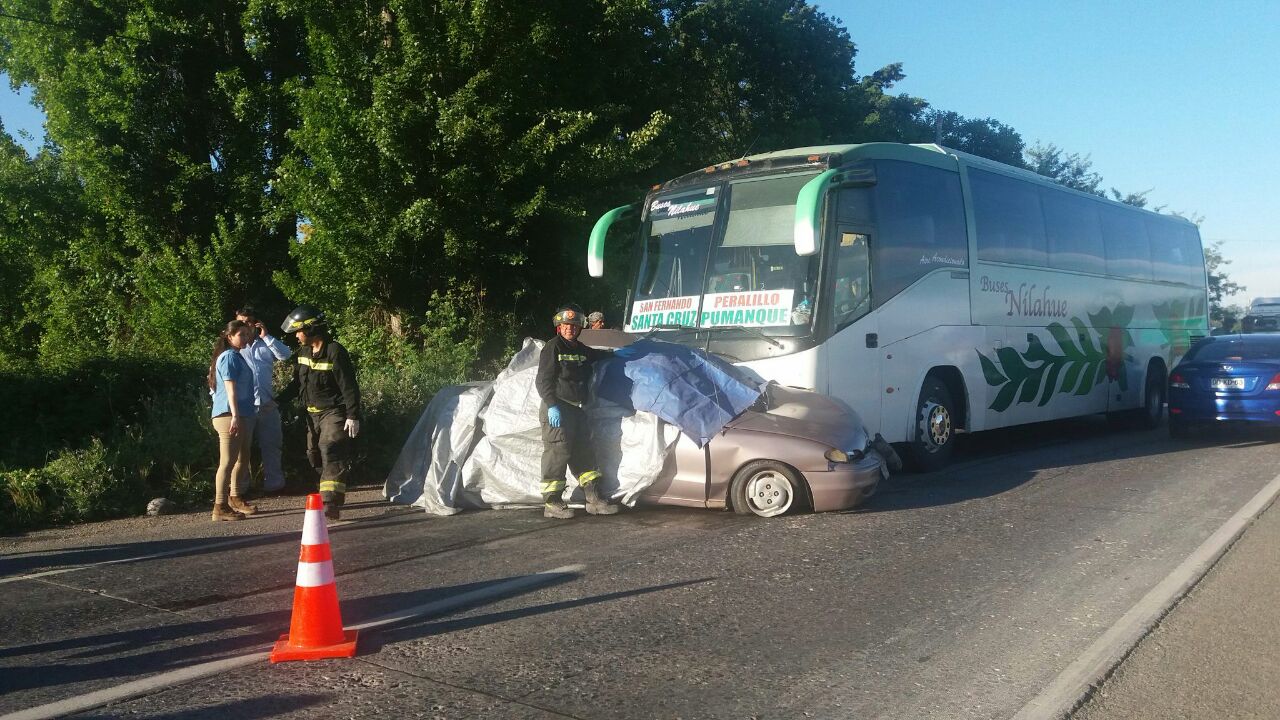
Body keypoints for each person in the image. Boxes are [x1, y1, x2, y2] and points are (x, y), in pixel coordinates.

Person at [535, 304, 620, 518]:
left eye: (573, 326)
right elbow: (543, 380)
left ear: (579, 327)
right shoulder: (553, 347)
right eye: (565, 325)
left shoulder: (580, 349)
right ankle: (552, 503)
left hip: (577, 409)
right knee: (557, 453)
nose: (569, 329)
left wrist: (618, 354)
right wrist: (552, 405)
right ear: (559, 326)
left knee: (584, 451)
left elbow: (596, 356)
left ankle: (594, 500)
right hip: (558, 408)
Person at [278, 305, 361, 521]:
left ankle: (330, 502)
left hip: (333, 412)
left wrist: (352, 415)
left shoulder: (335, 351)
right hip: (311, 415)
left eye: (299, 331)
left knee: (330, 447)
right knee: (313, 454)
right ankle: (329, 490)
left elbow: (349, 386)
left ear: (311, 329)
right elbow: (296, 384)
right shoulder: (303, 353)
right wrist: (277, 401)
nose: (297, 336)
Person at [235, 306, 292, 495]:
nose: (245, 326)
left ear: (255, 323)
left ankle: (274, 485)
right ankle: (240, 489)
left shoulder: (264, 343)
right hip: (243, 406)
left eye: (248, 322)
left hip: (267, 403)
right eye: (241, 322)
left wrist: (266, 336)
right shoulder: (234, 347)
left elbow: (285, 355)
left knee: (272, 445)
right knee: (242, 449)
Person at [208, 320, 259, 521]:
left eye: (247, 334)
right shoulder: (228, 356)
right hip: (229, 415)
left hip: (243, 414)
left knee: (243, 458)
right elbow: (231, 389)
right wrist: (235, 416)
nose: (245, 338)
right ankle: (219, 505)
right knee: (227, 461)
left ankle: (235, 497)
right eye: (241, 335)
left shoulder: (238, 356)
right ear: (229, 337)